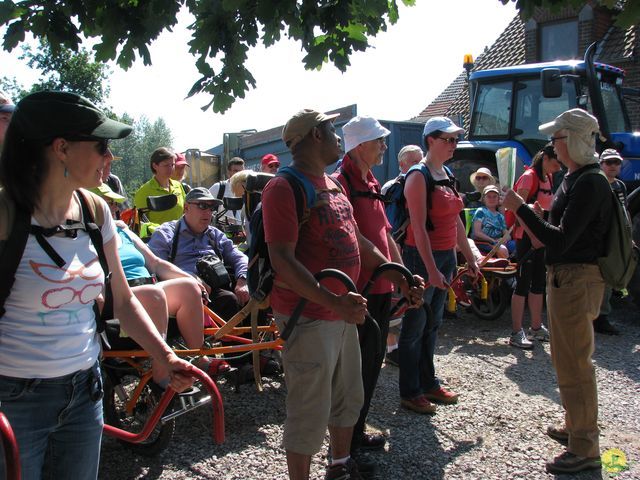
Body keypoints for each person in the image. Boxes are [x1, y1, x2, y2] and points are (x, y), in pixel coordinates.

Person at [0, 91, 193, 480]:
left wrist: (164, 354)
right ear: (62, 148)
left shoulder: (95, 210)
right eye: (102, 146)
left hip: (86, 391)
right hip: (14, 400)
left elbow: (122, 300)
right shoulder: (5, 215)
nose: (110, 158)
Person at [262, 109, 423, 480]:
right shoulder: (283, 187)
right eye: (332, 130)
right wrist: (333, 300)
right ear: (314, 136)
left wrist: (396, 273)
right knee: (308, 408)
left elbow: (359, 240)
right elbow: (282, 260)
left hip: (342, 313)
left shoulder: (332, 186)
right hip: (309, 316)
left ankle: (339, 467)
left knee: (348, 397)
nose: (339, 138)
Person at [503, 108, 611, 474]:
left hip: (577, 278)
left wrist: (521, 210)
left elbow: (560, 240)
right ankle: (575, 427)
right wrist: (532, 213)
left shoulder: (590, 182)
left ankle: (585, 446)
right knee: (566, 359)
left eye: (557, 138)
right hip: (567, 278)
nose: (552, 145)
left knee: (577, 362)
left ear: (575, 140)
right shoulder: (576, 177)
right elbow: (557, 230)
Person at [91, 183, 230, 382]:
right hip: (116, 298)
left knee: (188, 287)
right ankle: (162, 377)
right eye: (108, 203)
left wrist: (188, 277)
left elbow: (156, 263)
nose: (114, 208)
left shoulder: (123, 232)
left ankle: (200, 358)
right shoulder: (84, 238)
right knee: (153, 294)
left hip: (146, 288)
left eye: (114, 203)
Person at [335, 115, 410, 458]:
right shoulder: (341, 184)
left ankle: (356, 433)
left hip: (379, 288)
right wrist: (390, 270)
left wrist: (404, 274)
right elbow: (354, 235)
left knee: (372, 363)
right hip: (358, 292)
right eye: (379, 141)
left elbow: (384, 232)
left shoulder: (371, 182)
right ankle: (345, 446)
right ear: (360, 145)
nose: (383, 147)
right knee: (355, 370)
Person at [399, 116, 479, 414]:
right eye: (449, 139)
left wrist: (469, 257)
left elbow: (456, 219)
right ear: (431, 140)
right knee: (415, 325)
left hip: (444, 256)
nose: (454, 145)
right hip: (422, 257)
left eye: (456, 139)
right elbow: (418, 227)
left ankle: (428, 382)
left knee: (433, 324)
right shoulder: (418, 176)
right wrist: (430, 270)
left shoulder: (444, 172)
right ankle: (410, 391)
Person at [147, 187, 249, 320]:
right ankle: (235, 341)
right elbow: (155, 266)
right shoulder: (166, 233)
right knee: (228, 300)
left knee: (255, 294)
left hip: (216, 285)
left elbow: (238, 256)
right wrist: (189, 277)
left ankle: (257, 339)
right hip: (184, 292)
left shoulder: (215, 234)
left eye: (211, 208)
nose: (208, 212)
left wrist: (243, 280)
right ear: (186, 207)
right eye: (202, 206)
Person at [509, 144, 561, 349]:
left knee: (538, 283)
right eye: (556, 163)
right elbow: (517, 211)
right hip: (526, 239)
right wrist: (534, 237)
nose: (558, 168)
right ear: (545, 158)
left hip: (540, 239)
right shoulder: (529, 177)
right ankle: (515, 332)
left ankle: (536, 328)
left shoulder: (547, 177)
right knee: (522, 284)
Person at [593, 148, 626, 335]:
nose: (613, 166)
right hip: (599, 237)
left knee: (609, 276)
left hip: (614, 237)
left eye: (616, 162)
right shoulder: (597, 184)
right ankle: (595, 315)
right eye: (609, 163)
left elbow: (624, 213)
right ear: (602, 164)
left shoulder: (620, 186)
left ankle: (602, 315)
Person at [134, 146, 186, 225]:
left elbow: (185, 212)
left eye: (172, 165)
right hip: (157, 236)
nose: (170, 169)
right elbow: (138, 223)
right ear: (155, 166)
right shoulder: (144, 192)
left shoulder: (178, 186)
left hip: (180, 235)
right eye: (166, 165)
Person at [471, 185, 513, 259]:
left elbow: (507, 234)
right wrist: (493, 240)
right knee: (502, 249)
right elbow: (477, 233)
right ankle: (504, 268)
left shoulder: (500, 216)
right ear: (484, 199)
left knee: (515, 245)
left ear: (498, 199)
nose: (492, 199)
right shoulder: (481, 211)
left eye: (494, 196)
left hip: (496, 242)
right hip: (482, 242)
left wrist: (504, 239)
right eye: (489, 196)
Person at [209, 156, 245, 226]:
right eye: (236, 171)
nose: (239, 174)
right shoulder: (219, 187)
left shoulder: (248, 191)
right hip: (221, 233)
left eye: (241, 171)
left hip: (243, 233)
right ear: (229, 172)